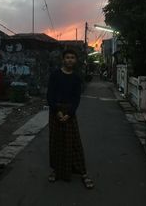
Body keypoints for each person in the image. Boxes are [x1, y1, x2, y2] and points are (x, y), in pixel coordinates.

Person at [46, 49, 94, 189]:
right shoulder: (55, 75)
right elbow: (50, 95)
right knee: (56, 141)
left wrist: (69, 113)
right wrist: (57, 111)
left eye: (72, 57)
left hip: (69, 113)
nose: (70, 60)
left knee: (74, 142)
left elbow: (76, 98)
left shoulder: (76, 78)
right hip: (55, 112)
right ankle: (56, 171)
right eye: (67, 57)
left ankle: (83, 172)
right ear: (63, 59)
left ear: (76, 60)